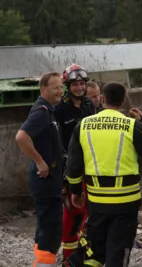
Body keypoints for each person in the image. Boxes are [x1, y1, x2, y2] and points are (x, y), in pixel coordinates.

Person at [65, 81, 142, 267]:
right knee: (118, 250)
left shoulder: (83, 125)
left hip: (97, 201)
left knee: (94, 249)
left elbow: (73, 165)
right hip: (126, 203)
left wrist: (76, 191)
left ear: (102, 99)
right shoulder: (131, 126)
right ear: (123, 101)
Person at [15, 72, 64, 267]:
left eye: (61, 87)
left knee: (46, 223)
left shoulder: (50, 110)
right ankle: (43, 264)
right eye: (55, 88)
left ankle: (41, 262)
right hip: (45, 179)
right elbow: (21, 137)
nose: (60, 91)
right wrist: (40, 162)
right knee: (50, 226)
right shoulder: (41, 112)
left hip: (51, 179)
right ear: (44, 89)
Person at [55, 63, 94, 262]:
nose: (79, 88)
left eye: (82, 84)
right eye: (75, 84)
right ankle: (69, 260)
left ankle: (85, 256)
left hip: (90, 168)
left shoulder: (89, 105)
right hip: (69, 171)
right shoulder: (59, 110)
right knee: (72, 216)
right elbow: (56, 145)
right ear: (67, 87)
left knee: (88, 215)